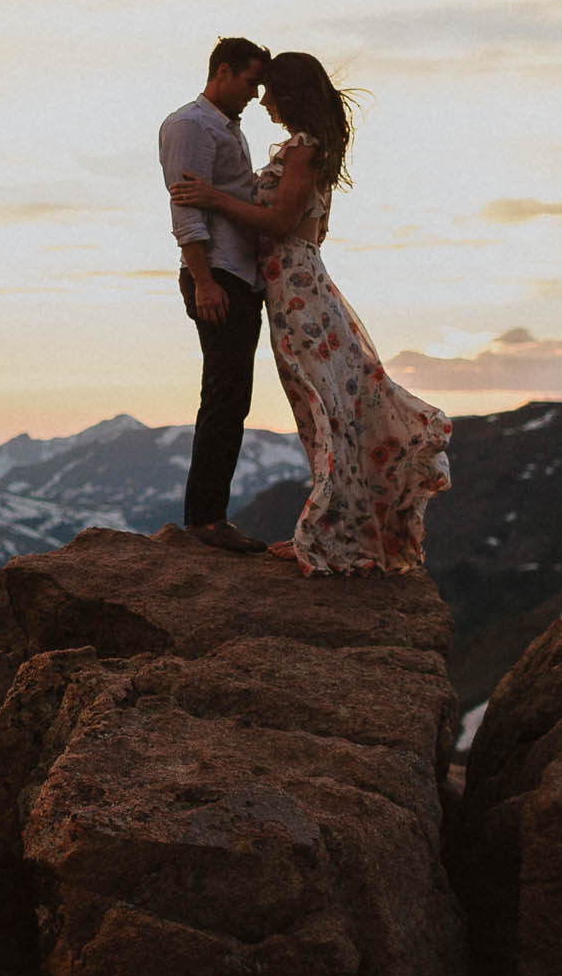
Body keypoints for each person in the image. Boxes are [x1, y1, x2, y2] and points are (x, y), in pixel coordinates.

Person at [169, 52, 451, 575]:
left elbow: (279, 222)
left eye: (270, 89)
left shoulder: (301, 148)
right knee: (321, 409)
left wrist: (213, 197)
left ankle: (329, 535)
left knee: (322, 410)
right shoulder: (305, 148)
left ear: (291, 93)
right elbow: (313, 229)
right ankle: (340, 531)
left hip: (296, 293)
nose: (263, 100)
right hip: (293, 285)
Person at [157, 36, 273, 553]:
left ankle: (209, 517)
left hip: (238, 273)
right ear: (222, 72)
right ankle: (205, 522)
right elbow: (186, 208)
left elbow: (225, 195)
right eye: (250, 81)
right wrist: (203, 279)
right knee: (224, 395)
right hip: (218, 273)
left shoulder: (226, 127)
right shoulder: (190, 125)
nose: (255, 93)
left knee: (233, 396)